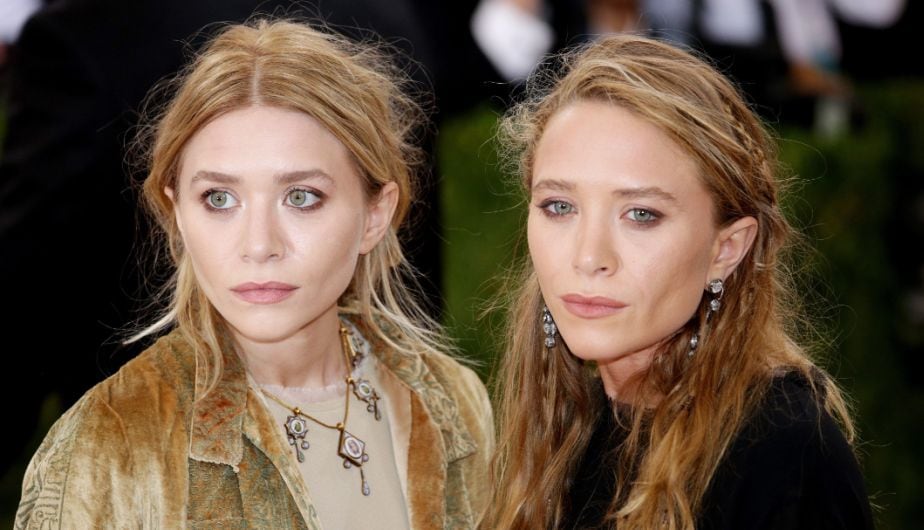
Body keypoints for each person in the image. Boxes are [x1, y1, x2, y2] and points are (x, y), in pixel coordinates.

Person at [15, 19, 493, 529]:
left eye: (301, 197)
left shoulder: (451, 399)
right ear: (178, 215)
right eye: (219, 199)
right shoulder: (109, 446)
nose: (259, 245)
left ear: (375, 215)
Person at [482, 35, 874, 529]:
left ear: (726, 249)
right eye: (559, 207)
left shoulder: (782, 451)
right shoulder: (561, 429)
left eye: (641, 214)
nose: (589, 257)